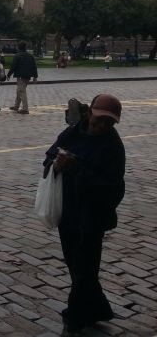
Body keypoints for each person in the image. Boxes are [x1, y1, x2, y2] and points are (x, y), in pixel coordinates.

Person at [43, 94, 125, 335]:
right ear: (89, 113)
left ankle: (75, 318)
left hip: (93, 215)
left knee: (85, 267)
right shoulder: (72, 133)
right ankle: (97, 309)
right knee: (76, 265)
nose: (101, 127)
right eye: (99, 120)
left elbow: (112, 184)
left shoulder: (112, 145)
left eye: (108, 123)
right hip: (69, 211)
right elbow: (49, 157)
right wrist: (57, 165)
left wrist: (79, 169)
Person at [7, 41, 38, 114]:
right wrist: (35, 77)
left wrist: (8, 75)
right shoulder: (30, 56)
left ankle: (25, 109)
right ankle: (16, 106)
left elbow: (13, 67)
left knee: (21, 91)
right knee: (19, 91)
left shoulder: (17, 56)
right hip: (28, 77)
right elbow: (34, 67)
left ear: (18, 47)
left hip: (21, 77)